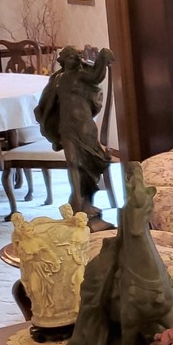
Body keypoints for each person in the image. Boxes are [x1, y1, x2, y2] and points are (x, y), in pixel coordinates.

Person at [35, 46, 115, 225]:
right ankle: (78, 201)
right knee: (73, 162)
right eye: (69, 57)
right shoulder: (57, 80)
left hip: (85, 127)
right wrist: (45, 119)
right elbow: (46, 103)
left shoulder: (81, 76)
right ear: (62, 61)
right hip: (67, 128)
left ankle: (85, 202)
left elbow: (97, 76)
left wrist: (102, 57)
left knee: (87, 164)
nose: (73, 60)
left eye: (75, 57)